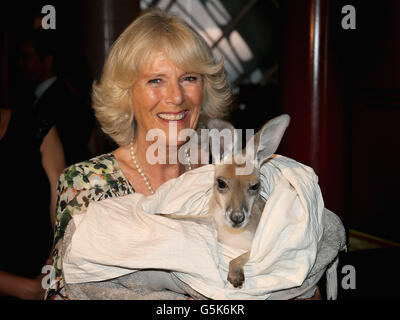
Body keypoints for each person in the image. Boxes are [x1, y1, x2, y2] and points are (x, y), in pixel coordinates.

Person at [45, 9, 320, 300]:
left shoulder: (231, 174)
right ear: (126, 93)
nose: (176, 97)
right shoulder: (86, 183)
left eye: (189, 78)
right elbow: (63, 292)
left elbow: (298, 275)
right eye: (156, 80)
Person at [0, 106, 66, 300]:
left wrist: (57, 267)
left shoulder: (36, 127)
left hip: (45, 281)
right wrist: (18, 287)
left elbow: (64, 215)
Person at [18, 29, 94, 166]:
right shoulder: (27, 98)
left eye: (27, 57)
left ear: (47, 61)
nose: (20, 64)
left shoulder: (64, 100)